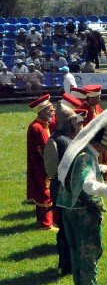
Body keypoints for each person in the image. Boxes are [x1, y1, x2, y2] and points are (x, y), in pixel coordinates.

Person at [55, 103, 107, 285]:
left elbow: (76, 171)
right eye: (104, 147)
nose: (104, 150)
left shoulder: (79, 149)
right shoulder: (85, 157)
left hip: (67, 207)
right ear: (99, 143)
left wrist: (100, 167)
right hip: (82, 210)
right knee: (88, 251)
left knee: (75, 251)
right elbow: (87, 185)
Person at [44, 94, 86, 276]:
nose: (75, 124)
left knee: (62, 227)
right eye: (73, 122)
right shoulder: (66, 142)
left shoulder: (54, 137)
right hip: (66, 189)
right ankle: (69, 264)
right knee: (69, 228)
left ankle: (64, 264)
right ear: (68, 123)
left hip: (56, 187)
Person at [26, 95, 55, 229]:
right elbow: (44, 149)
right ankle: (45, 223)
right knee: (44, 192)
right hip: (41, 166)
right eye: (50, 109)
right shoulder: (37, 127)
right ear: (42, 111)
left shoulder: (43, 125)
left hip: (43, 164)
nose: (53, 111)